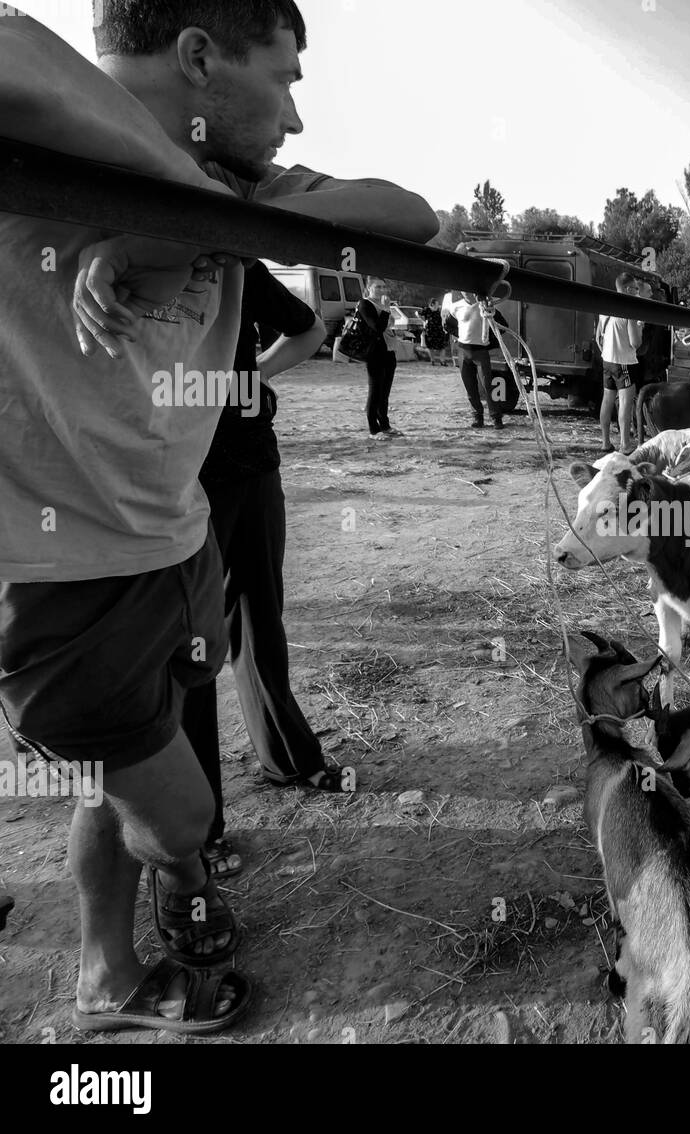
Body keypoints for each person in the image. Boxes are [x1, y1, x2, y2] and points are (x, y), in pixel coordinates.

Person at [0, 1, 438, 1036]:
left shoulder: (239, 179)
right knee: (187, 815)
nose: (291, 115)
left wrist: (188, 207)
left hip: (175, 535)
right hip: (61, 578)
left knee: (109, 790)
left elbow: (416, 218)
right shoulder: (29, 83)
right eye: (281, 78)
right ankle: (165, 931)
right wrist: (170, 194)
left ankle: (108, 975)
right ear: (197, 57)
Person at [180, 260, 346, 883]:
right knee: (192, 645)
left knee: (259, 618)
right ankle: (198, 827)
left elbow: (307, 330)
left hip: (252, 465)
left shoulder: (236, 262)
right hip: (182, 477)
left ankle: (287, 757)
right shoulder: (143, 253)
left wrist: (253, 377)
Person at [444, 288, 508, 428]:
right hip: (463, 350)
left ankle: (496, 418)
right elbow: (447, 325)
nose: (466, 292)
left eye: (468, 290)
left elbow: (503, 326)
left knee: (488, 386)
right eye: (463, 290)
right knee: (470, 387)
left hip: (480, 352)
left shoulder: (484, 306)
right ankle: (477, 417)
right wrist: (459, 334)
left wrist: (489, 339)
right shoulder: (456, 306)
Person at [596, 273, 644, 453]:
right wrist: (639, 326)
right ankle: (625, 445)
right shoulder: (629, 310)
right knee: (625, 402)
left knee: (607, 400)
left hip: (607, 361)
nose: (636, 292)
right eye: (635, 289)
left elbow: (598, 336)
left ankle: (605, 442)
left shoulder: (606, 307)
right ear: (626, 289)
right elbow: (635, 343)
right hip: (624, 362)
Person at [358, 278, 400, 439]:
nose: (382, 290)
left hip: (389, 351)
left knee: (385, 392)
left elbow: (389, 326)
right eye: (377, 287)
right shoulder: (365, 304)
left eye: (384, 286)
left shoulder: (384, 306)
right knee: (375, 391)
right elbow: (377, 327)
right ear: (369, 288)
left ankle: (385, 425)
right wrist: (385, 308)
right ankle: (373, 430)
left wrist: (386, 309)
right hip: (374, 353)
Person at [633, 278, 672, 388]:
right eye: (648, 291)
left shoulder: (646, 308)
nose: (651, 294)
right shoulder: (638, 309)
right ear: (640, 292)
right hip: (638, 355)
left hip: (644, 355)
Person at [421, 295, 452, 366]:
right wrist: (423, 320)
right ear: (432, 304)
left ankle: (442, 361)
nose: (438, 305)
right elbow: (418, 313)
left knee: (442, 347)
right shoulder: (427, 310)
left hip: (440, 331)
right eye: (437, 304)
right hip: (430, 331)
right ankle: (432, 361)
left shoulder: (440, 310)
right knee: (430, 347)